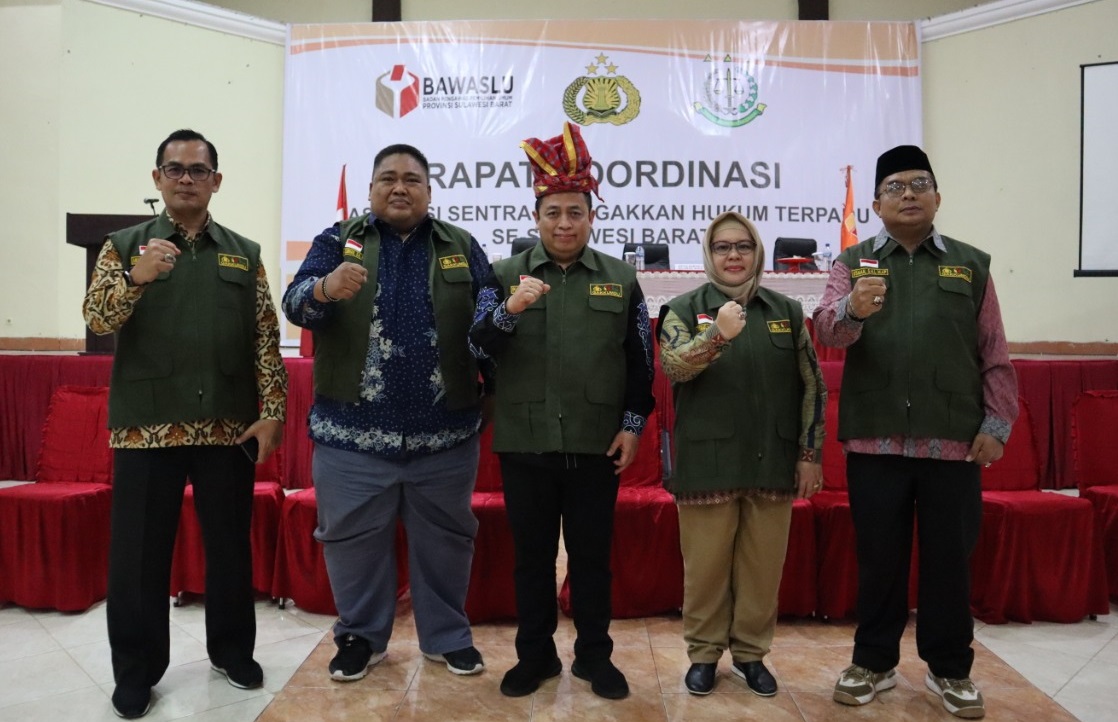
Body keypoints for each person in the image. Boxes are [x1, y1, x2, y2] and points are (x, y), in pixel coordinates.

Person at [82, 129, 288, 720]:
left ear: (216, 181)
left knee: (229, 551)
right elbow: (97, 317)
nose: (186, 178)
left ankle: (232, 651)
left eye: (198, 170)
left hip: (229, 429)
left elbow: (265, 341)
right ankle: (137, 672)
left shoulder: (242, 253)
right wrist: (138, 276)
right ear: (157, 179)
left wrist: (271, 412)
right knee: (139, 558)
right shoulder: (124, 246)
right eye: (174, 169)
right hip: (147, 428)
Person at [813, 145, 1017, 720]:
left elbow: (994, 354)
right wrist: (853, 308)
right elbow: (827, 330)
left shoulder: (970, 265)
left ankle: (950, 670)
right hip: (875, 440)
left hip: (952, 441)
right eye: (896, 186)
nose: (908, 194)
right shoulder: (851, 262)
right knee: (879, 557)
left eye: (919, 184)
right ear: (876, 202)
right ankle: (873, 662)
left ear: (937, 197)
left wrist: (997, 425)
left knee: (950, 560)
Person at [282, 144, 492, 683]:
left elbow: (490, 318)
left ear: (429, 190)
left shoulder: (460, 245)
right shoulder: (339, 240)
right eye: (388, 178)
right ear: (372, 189)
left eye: (412, 179)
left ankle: (447, 637)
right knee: (351, 543)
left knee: (447, 541)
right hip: (350, 436)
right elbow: (295, 301)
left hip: (443, 436)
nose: (400, 188)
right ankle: (359, 637)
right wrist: (325, 289)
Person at [469, 121, 656, 701]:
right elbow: (475, 347)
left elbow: (641, 364)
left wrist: (631, 428)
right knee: (530, 562)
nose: (565, 224)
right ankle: (537, 658)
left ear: (591, 215)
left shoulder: (620, 279)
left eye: (575, 212)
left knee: (593, 561)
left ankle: (594, 659)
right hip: (525, 442)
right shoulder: (504, 275)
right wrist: (510, 310)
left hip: (596, 443)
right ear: (536, 216)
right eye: (553, 213)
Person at [658, 211, 825, 698]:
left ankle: (751, 654)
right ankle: (704, 654)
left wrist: (809, 453)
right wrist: (718, 335)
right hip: (707, 463)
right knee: (706, 567)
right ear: (709, 255)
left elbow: (813, 384)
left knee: (761, 566)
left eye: (743, 246)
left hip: (772, 459)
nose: (733, 256)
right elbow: (674, 367)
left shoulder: (787, 311)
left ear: (757, 253)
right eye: (722, 247)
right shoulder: (685, 308)